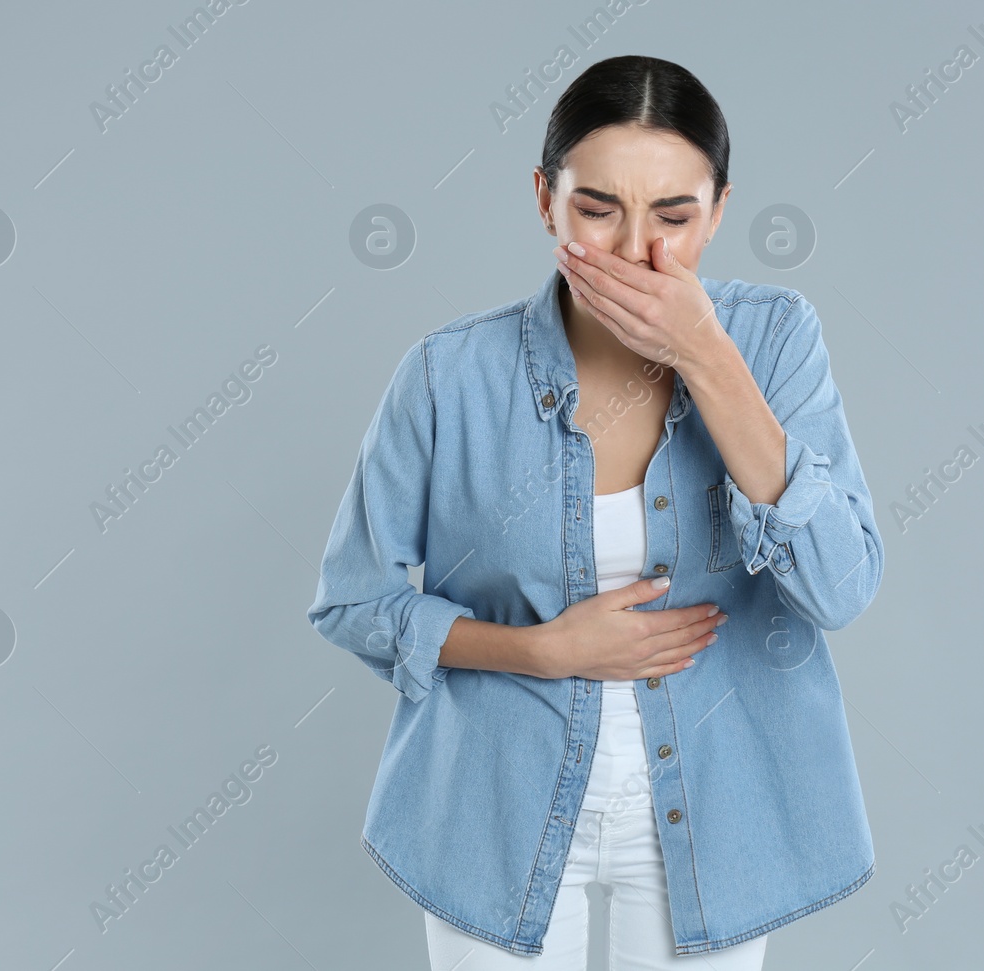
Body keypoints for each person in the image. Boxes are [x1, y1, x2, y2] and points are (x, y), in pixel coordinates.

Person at [309, 54, 885, 969]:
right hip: (493, 811)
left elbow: (841, 586)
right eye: (595, 208)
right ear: (544, 200)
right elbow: (353, 600)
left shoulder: (773, 342)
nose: (632, 251)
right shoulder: (446, 376)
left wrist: (707, 358)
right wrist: (539, 649)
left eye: (674, 217)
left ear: (721, 210)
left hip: (715, 811)